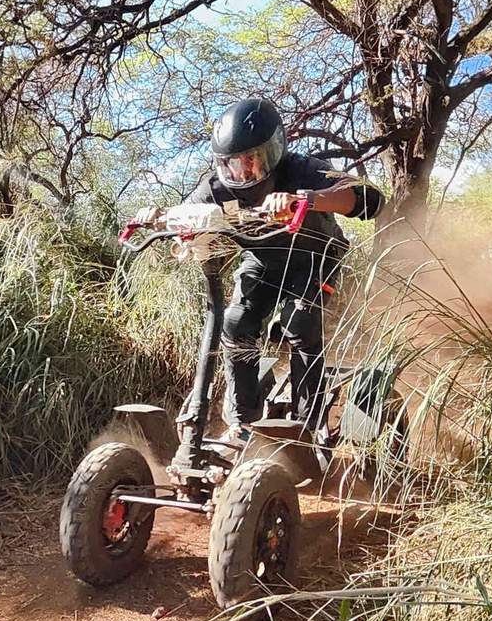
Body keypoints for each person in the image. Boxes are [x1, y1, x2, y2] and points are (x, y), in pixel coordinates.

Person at [132, 97, 385, 442]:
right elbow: (189, 213)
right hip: (263, 259)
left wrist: (307, 199)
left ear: (273, 151)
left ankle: (304, 427)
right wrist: (157, 215)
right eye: (231, 164)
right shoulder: (217, 188)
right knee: (236, 323)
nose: (242, 172)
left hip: (315, 258)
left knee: (300, 324)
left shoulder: (300, 169)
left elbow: (368, 200)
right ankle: (242, 423)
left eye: (251, 161)